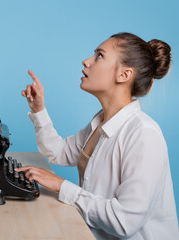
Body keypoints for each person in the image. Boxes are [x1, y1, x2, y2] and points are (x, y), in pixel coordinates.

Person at [16, 32, 179, 239]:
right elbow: (58, 152)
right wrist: (39, 110)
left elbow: (124, 221)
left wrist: (61, 186)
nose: (86, 61)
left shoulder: (144, 135)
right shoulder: (101, 121)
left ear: (124, 75)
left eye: (99, 56)